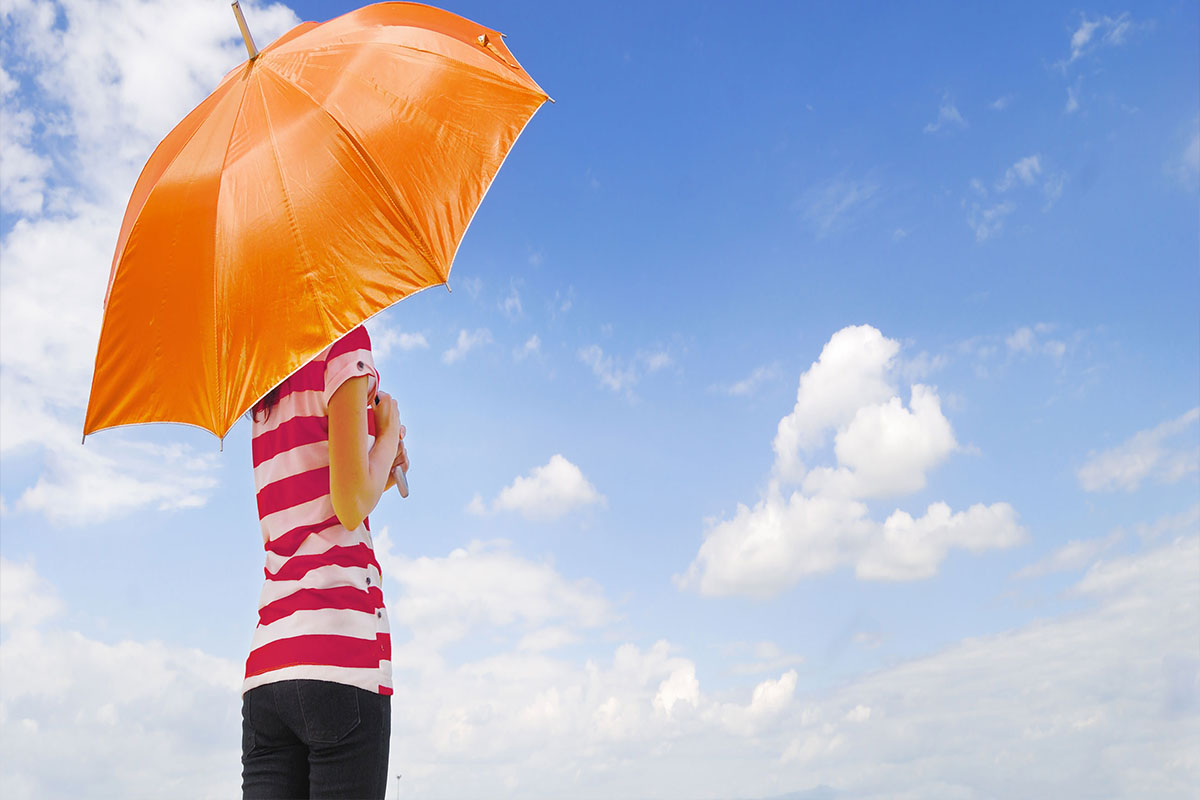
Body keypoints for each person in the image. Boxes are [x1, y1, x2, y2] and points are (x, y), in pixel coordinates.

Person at [240, 325, 407, 799]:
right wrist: (389, 433)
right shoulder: (344, 341)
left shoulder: (265, 376)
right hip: (338, 653)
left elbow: (310, 504)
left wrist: (380, 465)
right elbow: (351, 502)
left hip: (269, 668)